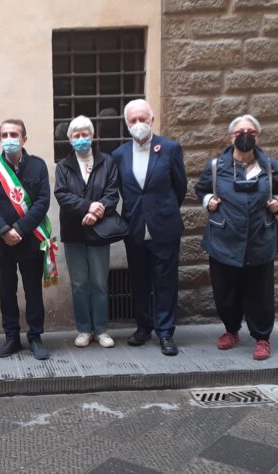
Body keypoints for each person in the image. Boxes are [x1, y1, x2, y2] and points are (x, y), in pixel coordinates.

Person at [194, 115, 278, 361]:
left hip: (260, 238)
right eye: (240, 132)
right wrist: (208, 202)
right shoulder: (216, 167)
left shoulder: (269, 165)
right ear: (231, 136)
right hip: (225, 238)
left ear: (257, 136)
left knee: (260, 293)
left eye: (251, 132)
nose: (245, 135)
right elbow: (201, 189)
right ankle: (231, 330)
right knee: (226, 291)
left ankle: (262, 338)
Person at [112, 99, 187, 356]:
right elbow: (123, 189)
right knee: (139, 279)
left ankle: (165, 332)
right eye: (133, 120)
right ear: (126, 124)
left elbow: (180, 187)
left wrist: (161, 210)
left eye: (142, 119)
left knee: (165, 281)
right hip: (134, 226)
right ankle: (143, 326)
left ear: (151, 120)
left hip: (164, 226)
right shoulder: (119, 154)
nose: (138, 124)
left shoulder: (169, 148)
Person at [0, 118, 52, 360]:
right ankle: (12, 337)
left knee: (33, 291)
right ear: (0, 138)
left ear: (24, 139)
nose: (9, 139)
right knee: (6, 291)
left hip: (30, 240)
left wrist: (20, 229)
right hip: (1, 243)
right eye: (5, 135)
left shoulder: (38, 166)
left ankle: (35, 337)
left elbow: (42, 202)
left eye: (14, 134)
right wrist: (4, 231)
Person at [54, 115, 119, 348]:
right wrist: (87, 207)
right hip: (74, 230)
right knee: (80, 283)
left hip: (100, 230)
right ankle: (83, 329)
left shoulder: (107, 162)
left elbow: (112, 193)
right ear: (70, 139)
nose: (81, 139)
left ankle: (101, 329)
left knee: (100, 282)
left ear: (92, 136)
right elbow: (62, 194)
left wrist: (97, 212)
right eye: (76, 135)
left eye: (85, 134)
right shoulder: (63, 166)